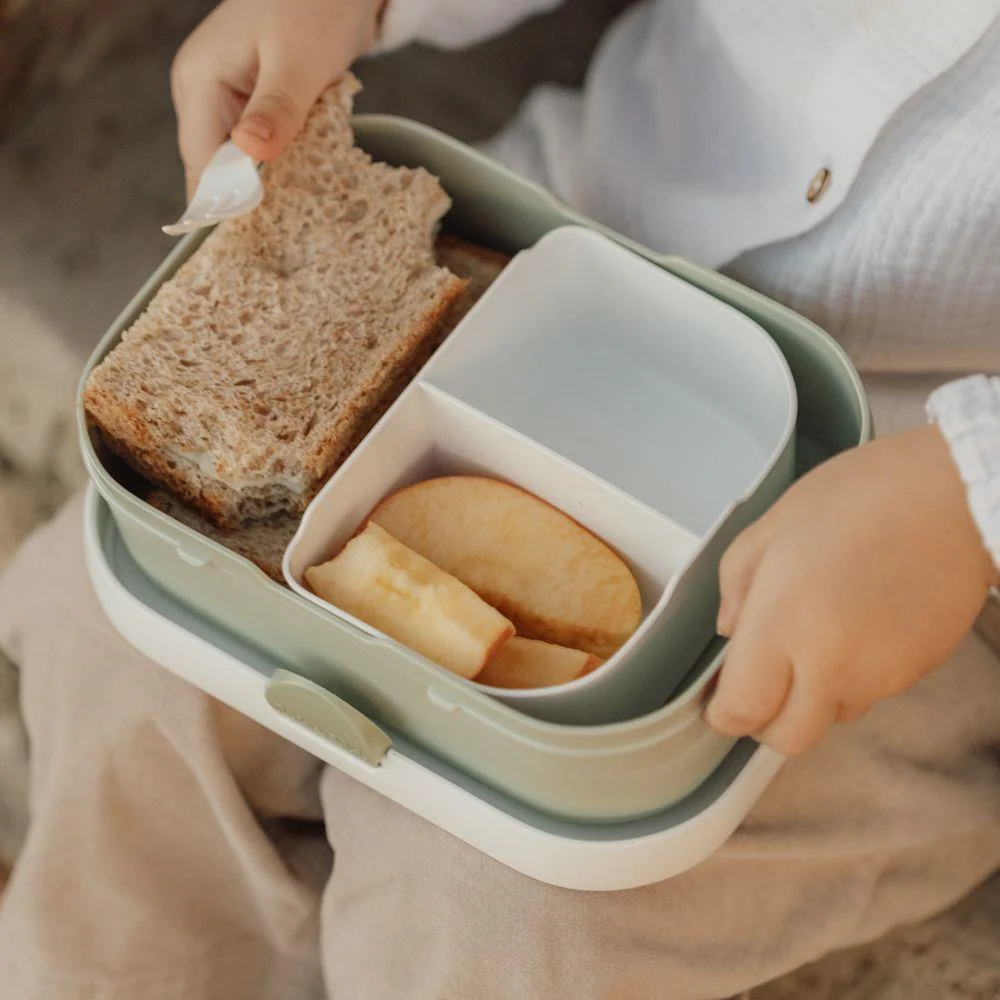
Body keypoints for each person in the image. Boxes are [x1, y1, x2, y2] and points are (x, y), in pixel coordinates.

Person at [1, 2, 999, 997]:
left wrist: (967, 488)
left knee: (494, 909)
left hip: (911, 540)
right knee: (108, 639)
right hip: (577, 232)